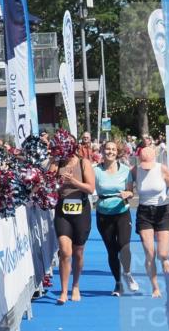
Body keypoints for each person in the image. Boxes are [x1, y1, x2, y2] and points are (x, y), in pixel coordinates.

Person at [50, 130, 96, 304]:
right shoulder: (57, 163)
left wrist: (73, 182)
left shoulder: (84, 163)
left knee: (78, 252)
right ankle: (63, 291)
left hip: (81, 208)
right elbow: (47, 186)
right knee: (64, 251)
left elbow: (91, 188)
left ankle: (75, 286)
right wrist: (57, 183)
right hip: (62, 209)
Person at [132, 145, 169, 298]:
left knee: (163, 252)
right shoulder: (135, 171)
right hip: (144, 212)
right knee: (150, 252)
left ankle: (165, 258)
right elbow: (128, 188)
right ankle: (155, 287)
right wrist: (126, 192)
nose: (146, 168)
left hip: (162, 210)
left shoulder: (162, 169)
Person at [94, 140, 138, 296]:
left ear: (117, 152)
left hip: (122, 211)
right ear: (103, 151)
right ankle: (118, 284)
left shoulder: (125, 170)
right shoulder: (96, 170)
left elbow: (131, 192)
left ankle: (127, 273)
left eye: (113, 149)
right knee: (112, 251)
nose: (110, 152)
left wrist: (128, 194)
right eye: (107, 149)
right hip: (103, 214)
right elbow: (88, 187)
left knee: (124, 246)